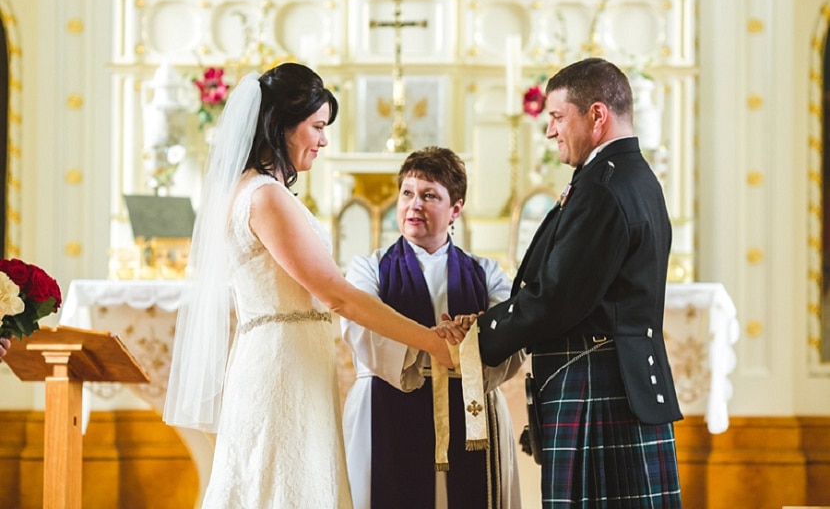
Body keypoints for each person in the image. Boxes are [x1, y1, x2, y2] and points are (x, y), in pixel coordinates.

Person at [163, 63, 461, 509]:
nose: (323, 140)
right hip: (283, 367)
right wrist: (431, 343)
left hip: (290, 358)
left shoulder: (253, 190)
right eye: (317, 127)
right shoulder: (264, 196)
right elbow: (335, 293)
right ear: (282, 125)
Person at [474, 58, 683, 507]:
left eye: (556, 117)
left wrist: (480, 337)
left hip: (596, 384)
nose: (550, 132)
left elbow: (555, 299)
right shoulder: (636, 178)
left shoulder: (603, 187)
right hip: (616, 382)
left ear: (597, 114)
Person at [340, 146, 525, 509]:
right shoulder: (368, 269)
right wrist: (443, 342)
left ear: (456, 209)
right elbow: (360, 326)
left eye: (430, 196)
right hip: (386, 402)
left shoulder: (486, 272)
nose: (415, 205)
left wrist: (480, 332)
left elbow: (515, 327)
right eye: (407, 193)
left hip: (470, 412)